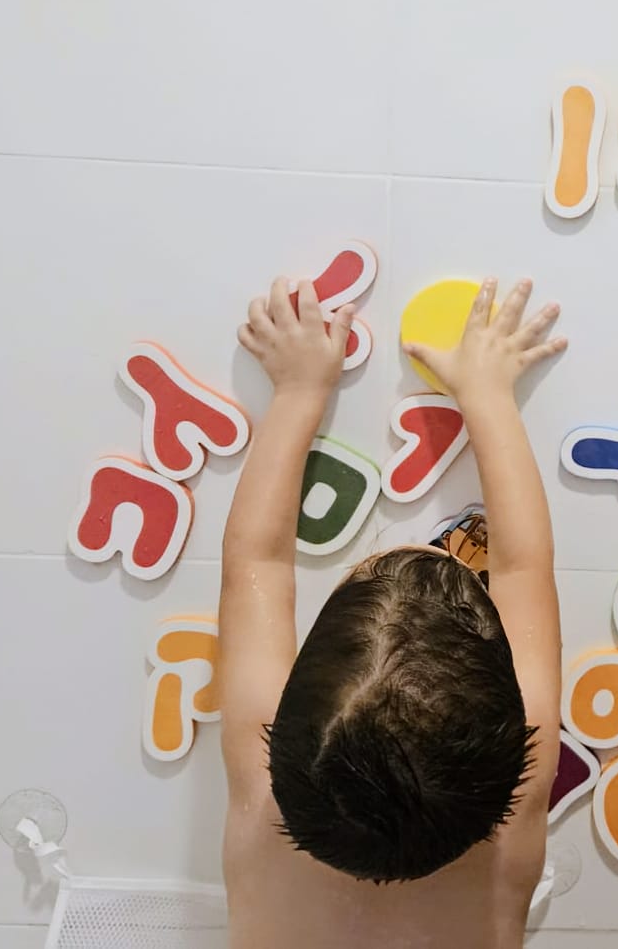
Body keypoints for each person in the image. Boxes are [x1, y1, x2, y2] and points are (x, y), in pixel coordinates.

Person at [219, 274, 566, 949]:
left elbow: (257, 564)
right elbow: (523, 568)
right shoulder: (512, 818)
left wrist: (296, 392)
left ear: (285, 712)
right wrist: (489, 393)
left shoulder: (265, 802)